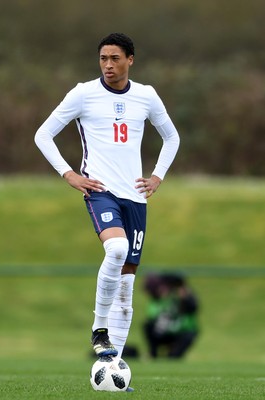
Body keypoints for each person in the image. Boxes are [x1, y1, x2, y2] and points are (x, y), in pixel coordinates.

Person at [35, 33, 180, 366]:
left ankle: (110, 368)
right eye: (103, 59)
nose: (108, 65)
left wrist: (157, 175)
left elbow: (172, 137)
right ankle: (99, 328)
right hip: (100, 192)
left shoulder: (146, 96)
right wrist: (68, 173)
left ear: (131, 59)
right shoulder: (84, 93)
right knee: (116, 249)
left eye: (115, 58)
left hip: (136, 199)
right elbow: (43, 134)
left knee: (127, 287)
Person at [143, 273, 199, 359]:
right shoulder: (159, 299)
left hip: (181, 331)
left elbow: (194, 308)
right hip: (165, 331)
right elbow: (152, 317)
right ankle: (153, 354)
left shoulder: (185, 297)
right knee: (148, 326)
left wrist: (185, 297)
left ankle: (174, 355)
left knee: (174, 356)